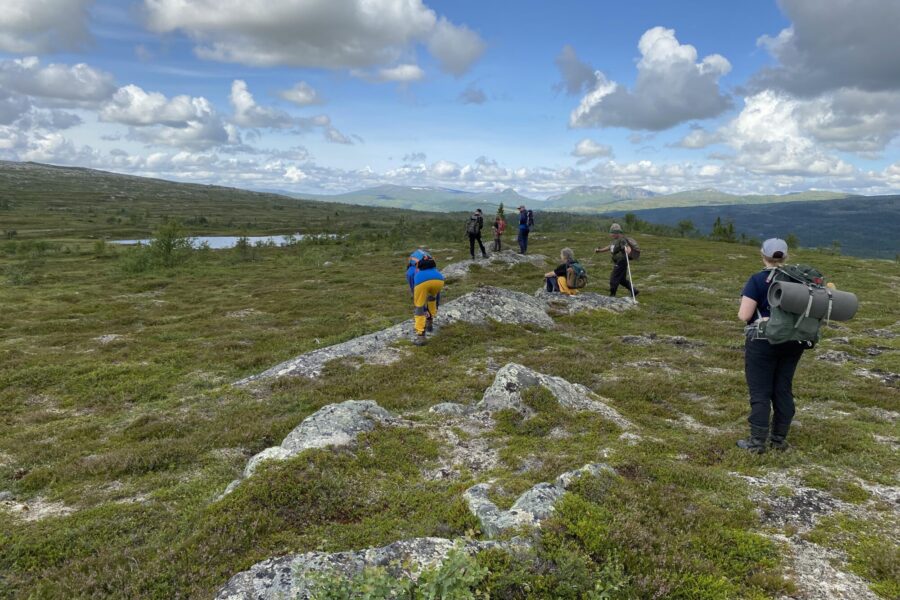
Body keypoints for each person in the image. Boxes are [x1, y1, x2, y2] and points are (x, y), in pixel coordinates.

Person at [736, 238, 806, 453]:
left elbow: (744, 315)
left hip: (763, 341)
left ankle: (757, 443)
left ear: (762, 255)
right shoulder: (801, 281)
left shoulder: (757, 280)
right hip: (793, 342)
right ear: (786, 256)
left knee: (760, 391)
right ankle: (778, 440)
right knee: (783, 389)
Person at [595, 223, 638, 298]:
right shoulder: (614, 240)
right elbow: (609, 247)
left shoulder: (621, 240)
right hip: (620, 262)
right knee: (621, 279)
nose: (611, 234)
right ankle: (634, 291)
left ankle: (612, 294)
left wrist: (628, 249)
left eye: (613, 232)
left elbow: (626, 246)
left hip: (621, 262)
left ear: (617, 233)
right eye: (611, 232)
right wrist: (599, 250)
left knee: (613, 278)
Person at [412, 254, 444, 346]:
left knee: (419, 306)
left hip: (422, 282)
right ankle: (430, 322)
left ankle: (421, 336)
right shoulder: (435, 268)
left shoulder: (416, 271)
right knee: (432, 297)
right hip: (439, 280)